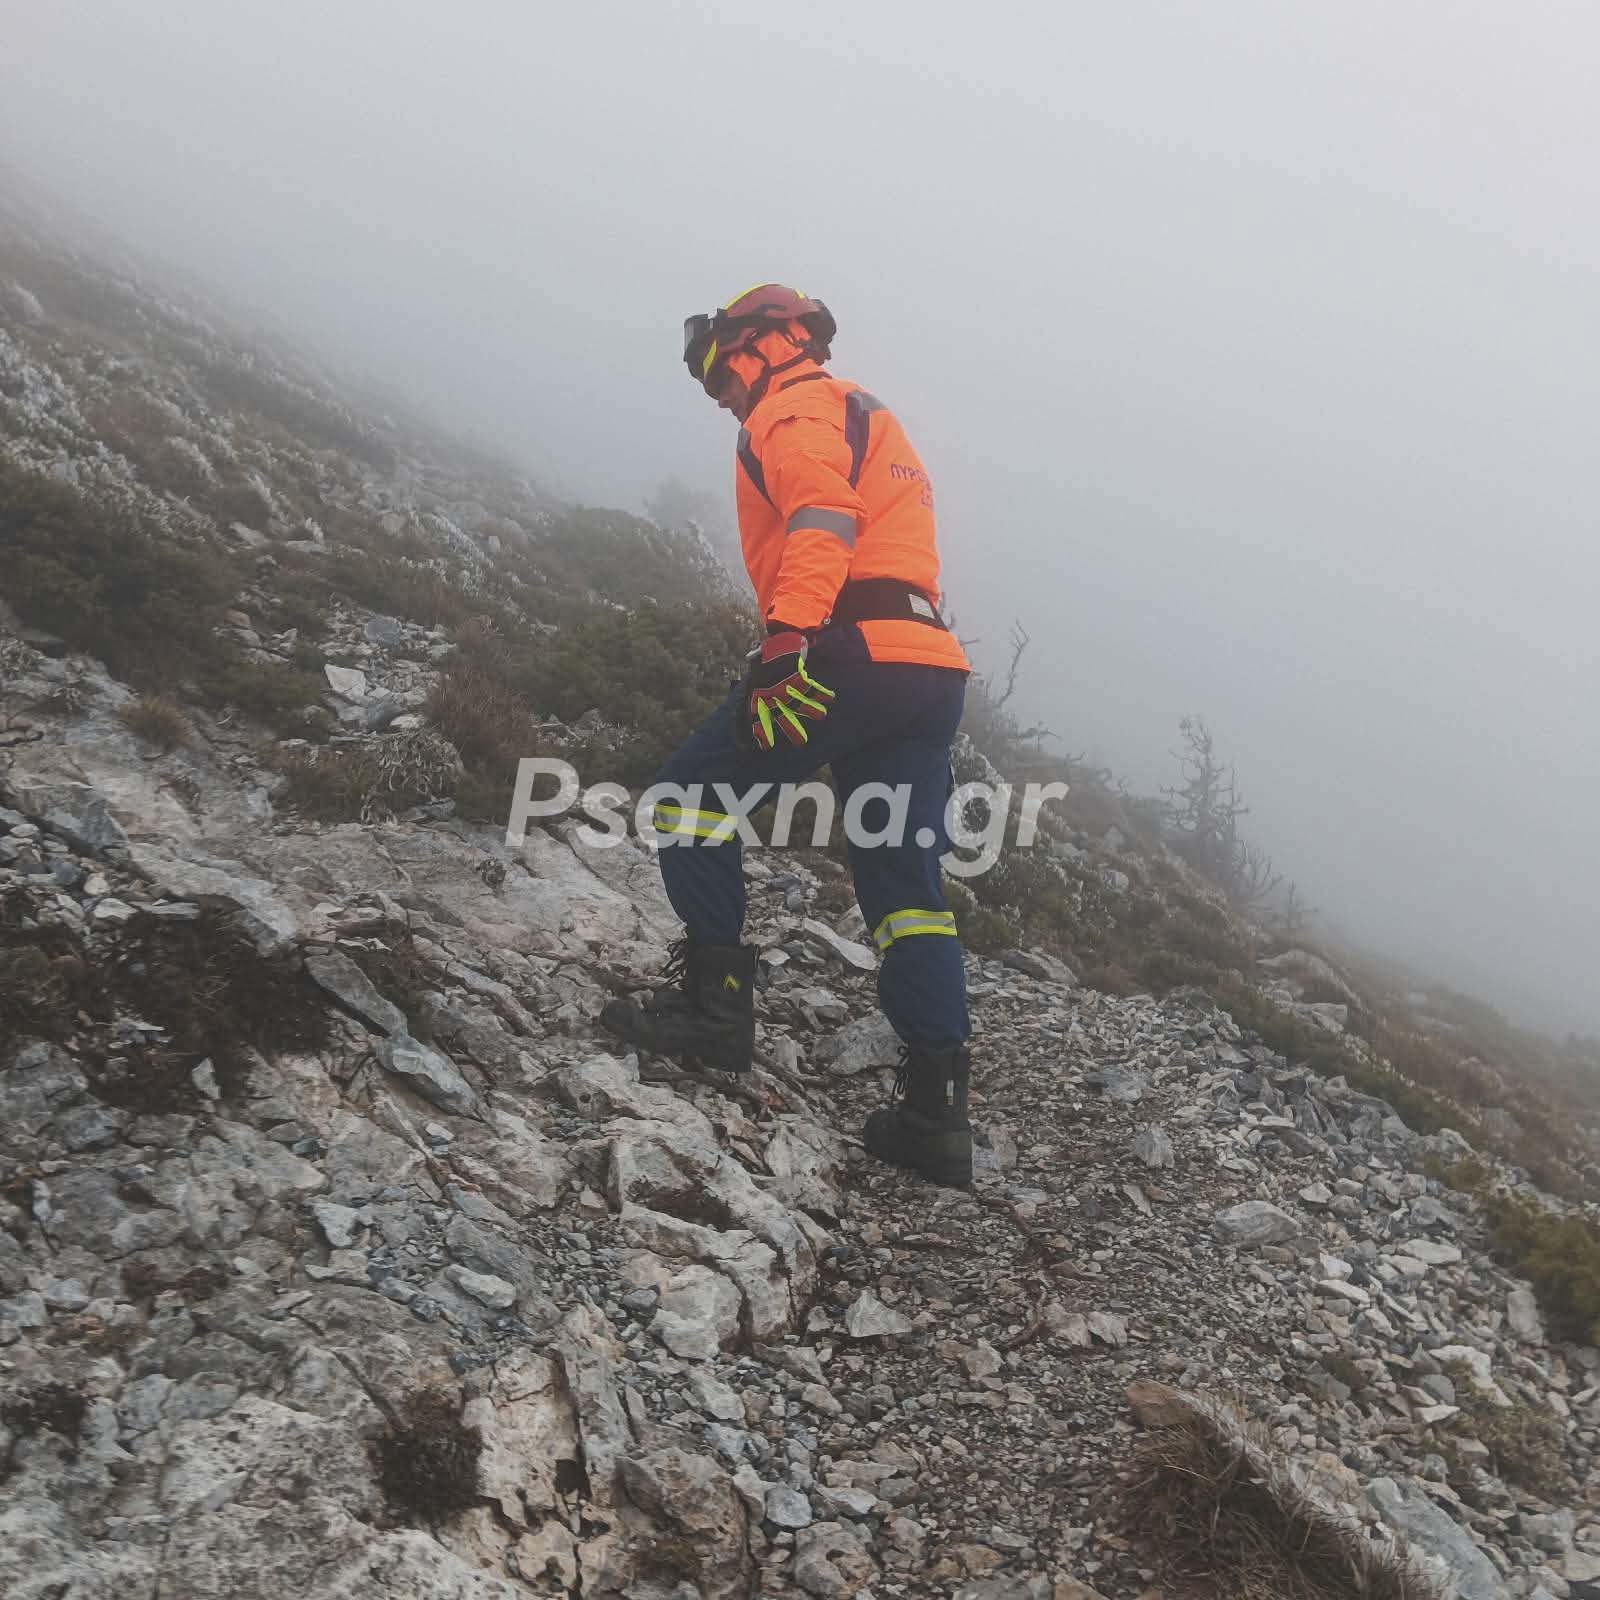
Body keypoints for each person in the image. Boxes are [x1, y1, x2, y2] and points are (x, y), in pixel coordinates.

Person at [601, 284, 975, 1188]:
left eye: (720, 373)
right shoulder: (868, 414)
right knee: (906, 888)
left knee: (690, 801)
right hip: (927, 665)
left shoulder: (794, 407)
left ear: (761, 346)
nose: (721, 396)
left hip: (848, 650)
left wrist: (785, 638)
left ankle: (715, 1013)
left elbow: (824, 517)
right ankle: (937, 1117)